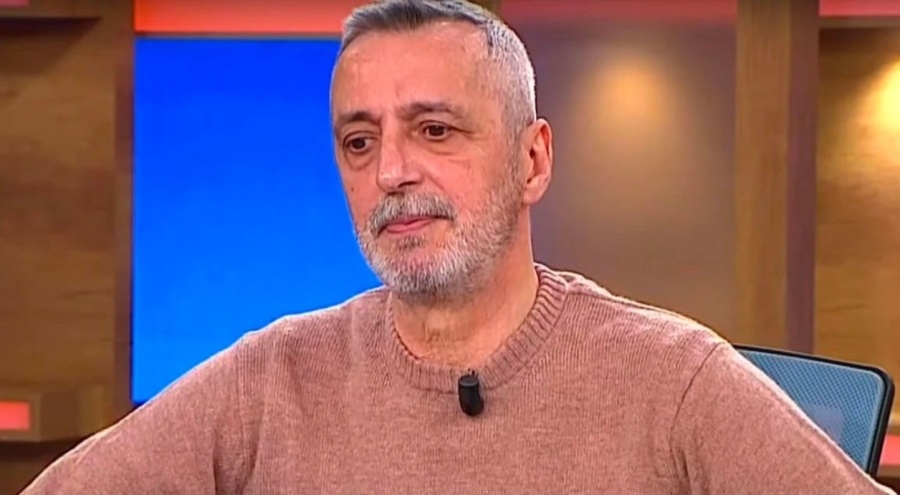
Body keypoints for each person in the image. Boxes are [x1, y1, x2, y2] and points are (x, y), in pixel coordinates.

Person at [20, 1, 896, 493]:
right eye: (359, 141)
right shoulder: (272, 380)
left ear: (532, 159)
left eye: (434, 130)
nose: (391, 170)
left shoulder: (673, 379)